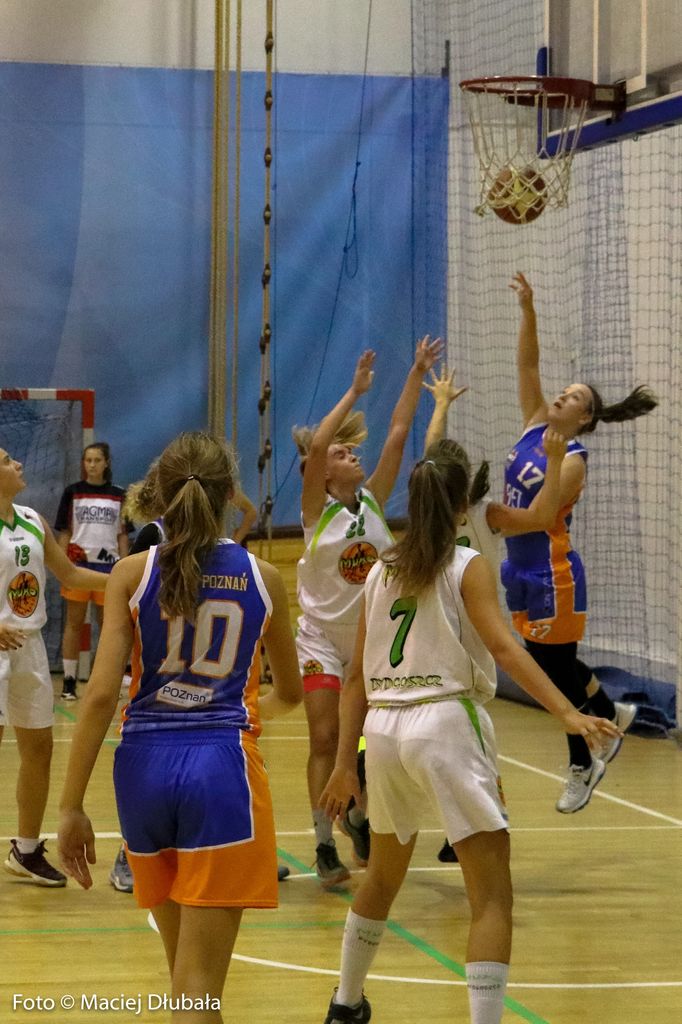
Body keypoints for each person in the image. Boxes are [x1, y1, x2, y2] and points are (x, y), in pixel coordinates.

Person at [319, 444, 620, 1024]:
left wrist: (341, 765)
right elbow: (505, 648)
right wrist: (567, 713)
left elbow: (354, 677)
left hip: (382, 732)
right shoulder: (465, 564)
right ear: (463, 506)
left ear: (413, 501)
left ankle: (345, 1004)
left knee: (381, 878)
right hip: (444, 722)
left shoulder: (381, 569)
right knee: (491, 899)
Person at [58, 431, 302, 1023]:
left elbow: (99, 696)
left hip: (141, 770)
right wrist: (243, 717)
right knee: (197, 991)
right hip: (221, 768)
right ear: (228, 493)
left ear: (158, 492)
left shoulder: (130, 573)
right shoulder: (263, 577)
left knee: (185, 984)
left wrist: (69, 807)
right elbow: (291, 693)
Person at [421, 366, 604, 857]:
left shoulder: (462, 514)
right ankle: (472, 820)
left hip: (473, 631)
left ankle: (480, 820)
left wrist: (441, 407)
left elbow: (544, 517)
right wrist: (441, 405)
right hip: (452, 629)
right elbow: (434, 455)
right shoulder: (471, 513)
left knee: (470, 730)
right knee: (460, 734)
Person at [495, 271, 657, 813]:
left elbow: (540, 518)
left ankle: (584, 762)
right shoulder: (532, 424)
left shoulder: (573, 461)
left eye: (574, 398)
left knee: (550, 672)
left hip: (552, 576)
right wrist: (528, 310)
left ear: (583, 418)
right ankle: (608, 713)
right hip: (519, 572)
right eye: (563, 392)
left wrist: (489, 517)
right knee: (556, 666)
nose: (562, 396)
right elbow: (527, 365)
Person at [293, 337, 442, 887]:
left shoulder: (374, 499)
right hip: (320, 639)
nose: (350, 455)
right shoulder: (315, 512)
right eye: (341, 455)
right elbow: (317, 446)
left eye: (350, 451)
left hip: (370, 641)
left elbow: (399, 432)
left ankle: (357, 813)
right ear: (323, 474)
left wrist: (415, 372)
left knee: (367, 743)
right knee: (324, 737)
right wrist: (354, 391)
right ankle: (323, 844)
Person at [0, 446, 108, 887]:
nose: (18, 465)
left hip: (29, 646)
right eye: (6, 461)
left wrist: (132, 578)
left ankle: (25, 851)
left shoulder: (32, 519)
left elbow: (72, 575)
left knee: (40, 748)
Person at [55, 442, 131, 700]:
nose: (92, 465)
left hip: (109, 569)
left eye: (97, 460)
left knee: (110, 625)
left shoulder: (119, 495)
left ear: (106, 463)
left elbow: (122, 535)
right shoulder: (72, 492)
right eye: (88, 460)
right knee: (74, 623)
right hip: (78, 566)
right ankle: (69, 682)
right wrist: (62, 566)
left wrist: (124, 566)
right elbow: (65, 532)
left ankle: (107, 681)